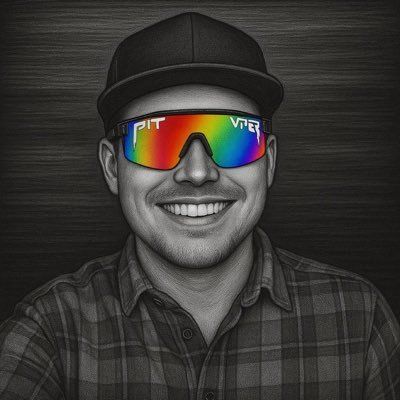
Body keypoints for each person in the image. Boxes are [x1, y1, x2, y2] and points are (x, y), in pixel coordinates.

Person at [0, 12, 399, 400]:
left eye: (231, 136)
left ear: (269, 162)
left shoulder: (359, 320)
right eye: (157, 137)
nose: (196, 172)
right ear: (111, 167)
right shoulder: (49, 332)